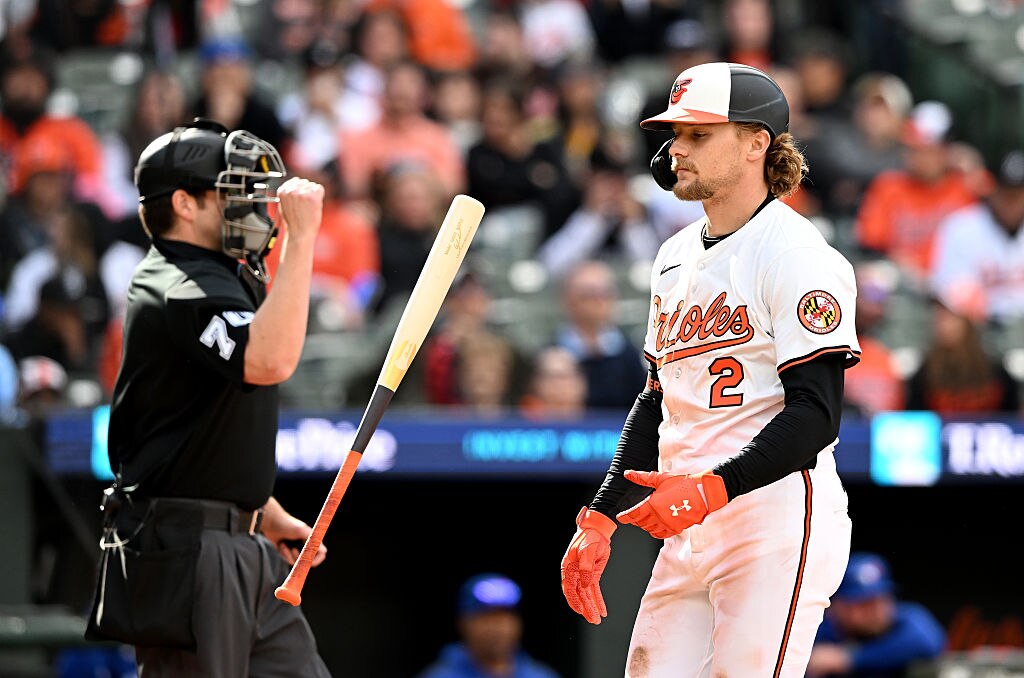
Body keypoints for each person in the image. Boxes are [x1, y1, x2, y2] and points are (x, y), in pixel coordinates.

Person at [559, 62, 862, 677]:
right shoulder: (673, 254)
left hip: (771, 518)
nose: (678, 148)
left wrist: (711, 489)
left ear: (757, 144)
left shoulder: (797, 254)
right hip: (689, 518)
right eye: (677, 134)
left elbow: (818, 415)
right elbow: (656, 400)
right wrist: (598, 514)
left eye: (700, 134)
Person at [83, 118, 331, 676]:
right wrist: (304, 239)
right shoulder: (175, 283)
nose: (254, 211)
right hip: (187, 550)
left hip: (239, 545)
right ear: (185, 204)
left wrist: (260, 514)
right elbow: (268, 362)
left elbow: (198, 424)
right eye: (233, 194)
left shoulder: (219, 275)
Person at [806, 552, 946, 677]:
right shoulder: (817, 628)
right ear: (838, 607)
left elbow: (926, 642)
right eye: (865, 603)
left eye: (881, 599)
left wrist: (847, 658)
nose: (878, 610)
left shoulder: (907, 618)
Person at [416, 573, 561, 678]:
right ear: (463, 624)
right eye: (486, 618)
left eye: (504, 618)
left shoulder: (540, 675)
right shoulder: (440, 675)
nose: (497, 628)